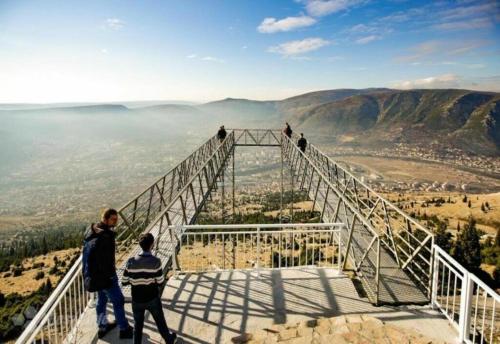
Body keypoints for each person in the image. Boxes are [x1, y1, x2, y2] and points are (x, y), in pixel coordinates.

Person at [82, 208, 133, 339]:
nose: (115, 222)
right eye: (113, 219)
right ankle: (124, 328)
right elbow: (105, 260)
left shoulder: (92, 230)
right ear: (105, 219)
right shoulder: (105, 237)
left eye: (117, 219)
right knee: (118, 300)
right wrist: (110, 277)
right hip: (106, 277)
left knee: (101, 300)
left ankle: (102, 326)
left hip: (94, 276)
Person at [122, 233, 177, 344]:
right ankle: (169, 339)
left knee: (138, 325)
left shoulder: (130, 262)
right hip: (152, 298)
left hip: (137, 299)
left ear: (140, 244)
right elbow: (160, 282)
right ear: (152, 244)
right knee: (160, 322)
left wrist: (135, 280)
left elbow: (124, 282)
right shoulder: (156, 262)